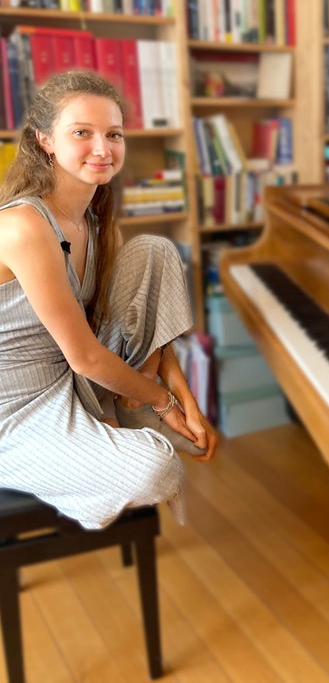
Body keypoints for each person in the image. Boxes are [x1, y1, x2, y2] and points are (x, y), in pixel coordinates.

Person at [0, 69, 217, 531]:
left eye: (113, 134)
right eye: (82, 132)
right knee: (155, 468)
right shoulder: (24, 225)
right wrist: (162, 403)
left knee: (155, 251)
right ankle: (122, 418)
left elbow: (134, 314)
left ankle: (121, 410)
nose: (103, 148)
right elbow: (85, 357)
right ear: (45, 141)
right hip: (17, 406)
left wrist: (184, 397)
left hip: (75, 376)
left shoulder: (94, 219)